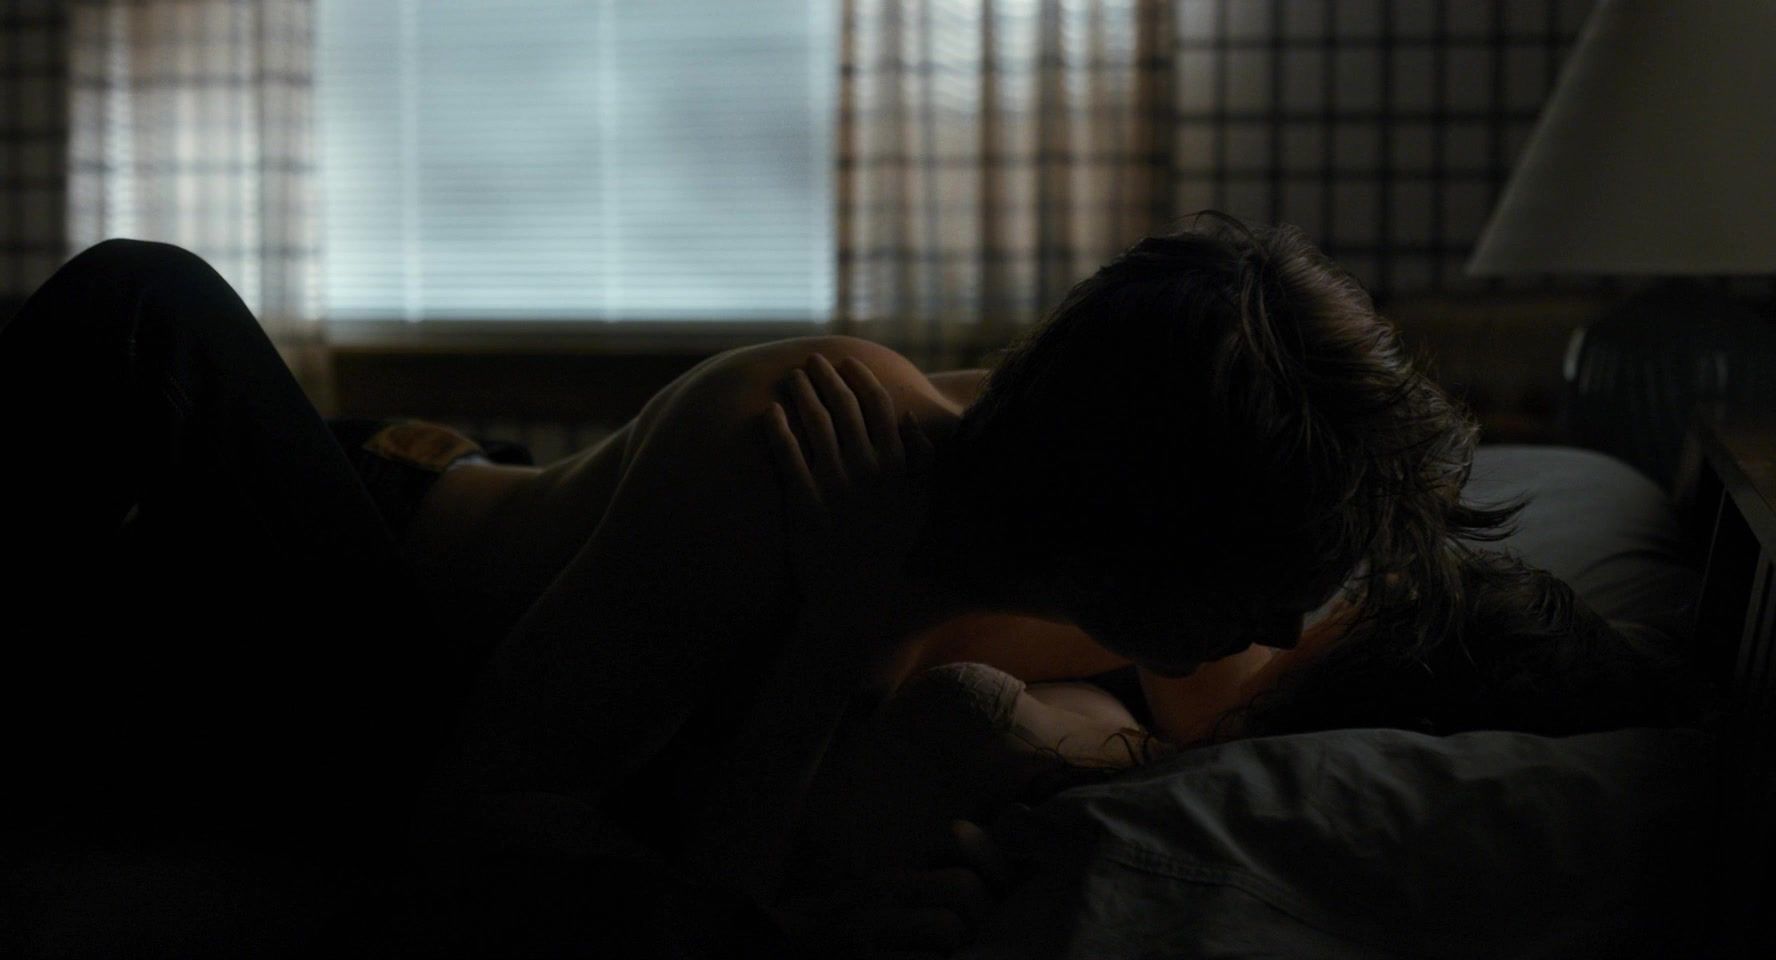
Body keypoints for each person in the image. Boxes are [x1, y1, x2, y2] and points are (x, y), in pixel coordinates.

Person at [0, 212, 1492, 951]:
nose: (1278, 626)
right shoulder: (803, 455)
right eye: (1267, 583)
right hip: (375, 596)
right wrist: (843, 639)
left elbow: (1273, 715)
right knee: (147, 300)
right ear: (1133, 522)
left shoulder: (1169, 601)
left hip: (469, 534)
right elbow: (478, 817)